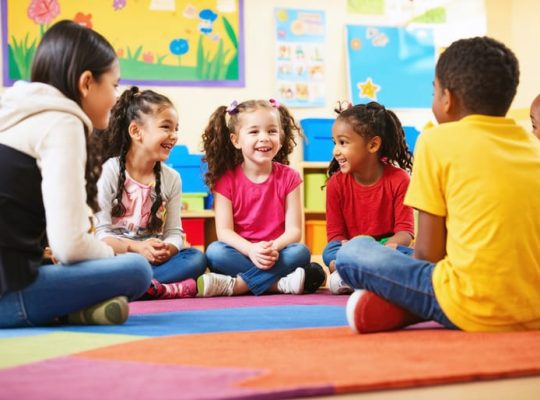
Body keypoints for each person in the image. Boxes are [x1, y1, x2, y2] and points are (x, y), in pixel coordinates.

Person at [338, 36, 540, 333]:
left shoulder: (435, 141)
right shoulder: (531, 146)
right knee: (400, 255)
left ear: (448, 98)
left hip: (470, 305)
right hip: (532, 306)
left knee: (353, 252)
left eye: (433, 91)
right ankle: (398, 308)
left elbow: (429, 256)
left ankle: (406, 306)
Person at [0, 20, 152, 328]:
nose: (115, 97)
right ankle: (63, 309)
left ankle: (71, 311)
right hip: (9, 294)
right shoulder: (62, 122)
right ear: (86, 83)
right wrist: (110, 257)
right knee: (136, 269)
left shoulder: (13, 112)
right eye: (114, 85)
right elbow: (69, 246)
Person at [199, 99, 325, 297]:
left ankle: (239, 285)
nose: (264, 138)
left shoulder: (290, 177)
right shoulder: (225, 180)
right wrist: (251, 250)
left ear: (281, 138)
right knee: (215, 251)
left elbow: (294, 231)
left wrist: (273, 247)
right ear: (236, 140)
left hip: (277, 253)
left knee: (300, 252)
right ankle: (278, 285)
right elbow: (224, 232)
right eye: (254, 131)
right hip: (242, 253)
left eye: (272, 131)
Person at [94, 87, 206, 299]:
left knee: (196, 258)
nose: (173, 136)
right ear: (136, 131)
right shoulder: (108, 170)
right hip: (119, 258)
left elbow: (174, 232)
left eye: (176, 129)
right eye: (166, 127)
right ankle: (154, 287)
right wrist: (137, 248)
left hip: (154, 262)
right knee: (119, 264)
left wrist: (167, 249)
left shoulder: (171, 178)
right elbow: (101, 235)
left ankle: (139, 287)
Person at [323, 101, 414, 295]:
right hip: (350, 249)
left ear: (373, 145)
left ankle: (351, 276)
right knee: (329, 252)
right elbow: (335, 236)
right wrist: (352, 247)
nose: (335, 151)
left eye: (343, 142)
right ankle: (374, 277)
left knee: (414, 255)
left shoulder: (399, 180)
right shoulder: (336, 184)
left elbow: (405, 233)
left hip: (384, 249)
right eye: (335, 143)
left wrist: (382, 247)